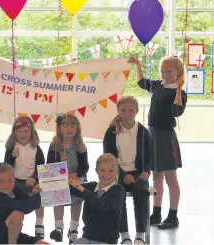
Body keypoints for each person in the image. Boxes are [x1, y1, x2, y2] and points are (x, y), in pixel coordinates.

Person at [128, 55, 187, 229]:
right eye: (163, 71)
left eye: (169, 71)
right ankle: (156, 211)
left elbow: (176, 111)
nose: (165, 75)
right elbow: (141, 82)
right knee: (156, 176)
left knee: (170, 178)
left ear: (178, 73)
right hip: (152, 134)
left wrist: (178, 87)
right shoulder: (158, 86)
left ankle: (173, 215)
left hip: (166, 137)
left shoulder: (179, 92)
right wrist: (138, 64)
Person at [103, 95, 151, 244]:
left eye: (131, 110)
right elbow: (108, 158)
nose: (127, 114)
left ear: (136, 111)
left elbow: (148, 156)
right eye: (123, 110)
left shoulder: (143, 131)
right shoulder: (111, 132)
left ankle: (140, 235)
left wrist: (145, 172)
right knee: (118, 194)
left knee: (142, 192)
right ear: (118, 111)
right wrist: (122, 175)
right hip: (117, 173)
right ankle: (124, 235)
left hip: (138, 172)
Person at [47, 114, 89, 243]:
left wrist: (76, 174)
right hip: (59, 178)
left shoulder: (80, 146)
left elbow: (85, 166)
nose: (69, 128)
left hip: (76, 178)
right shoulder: (55, 145)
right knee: (58, 195)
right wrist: (59, 162)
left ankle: (74, 228)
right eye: (65, 125)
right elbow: (48, 165)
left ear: (77, 129)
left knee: (77, 199)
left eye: (72, 125)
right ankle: (59, 227)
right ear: (59, 128)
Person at [4, 116, 46, 239]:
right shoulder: (11, 147)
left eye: (26, 131)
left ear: (32, 131)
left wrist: (35, 178)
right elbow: (6, 167)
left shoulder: (36, 148)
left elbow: (41, 167)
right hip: (15, 182)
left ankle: (39, 224)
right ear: (14, 132)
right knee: (16, 203)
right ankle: (16, 225)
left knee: (39, 196)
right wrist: (12, 156)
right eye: (19, 131)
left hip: (31, 181)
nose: (23, 134)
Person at [0, 163, 50, 245]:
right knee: (18, 214)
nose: (6, 184)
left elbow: (28, 200)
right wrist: (38, 196)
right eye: (1, 181)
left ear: (14, 180)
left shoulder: (15, 191)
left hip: (16, 236)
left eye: (9, 180)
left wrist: (35, 193)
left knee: (44, 244)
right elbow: (24, 207)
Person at [69, 154, 124, 244]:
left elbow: (101, 204)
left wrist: (81, 188)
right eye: (102, 170)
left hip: (107, 242)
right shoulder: (92, 186)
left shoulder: (118, 190)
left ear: (116, 171)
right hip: (86, 238)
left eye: (110, 170)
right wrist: (68, 181)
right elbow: (71, 190)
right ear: (96, 171)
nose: (106, 174)